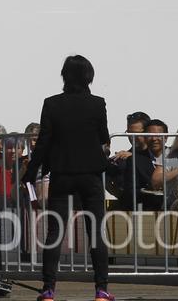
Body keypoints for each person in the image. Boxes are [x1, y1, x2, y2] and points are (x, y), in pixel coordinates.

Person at [23, 55, 112, 301]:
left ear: (64, 76)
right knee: (96, 232)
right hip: (91, 174)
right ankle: (101, 289)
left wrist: (31, 171)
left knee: (55, 233)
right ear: (89, 77)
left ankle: (49, 288)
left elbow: (43, 142)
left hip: (61, 174)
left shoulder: (51, 104)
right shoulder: (97, 103)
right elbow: (103, 136)